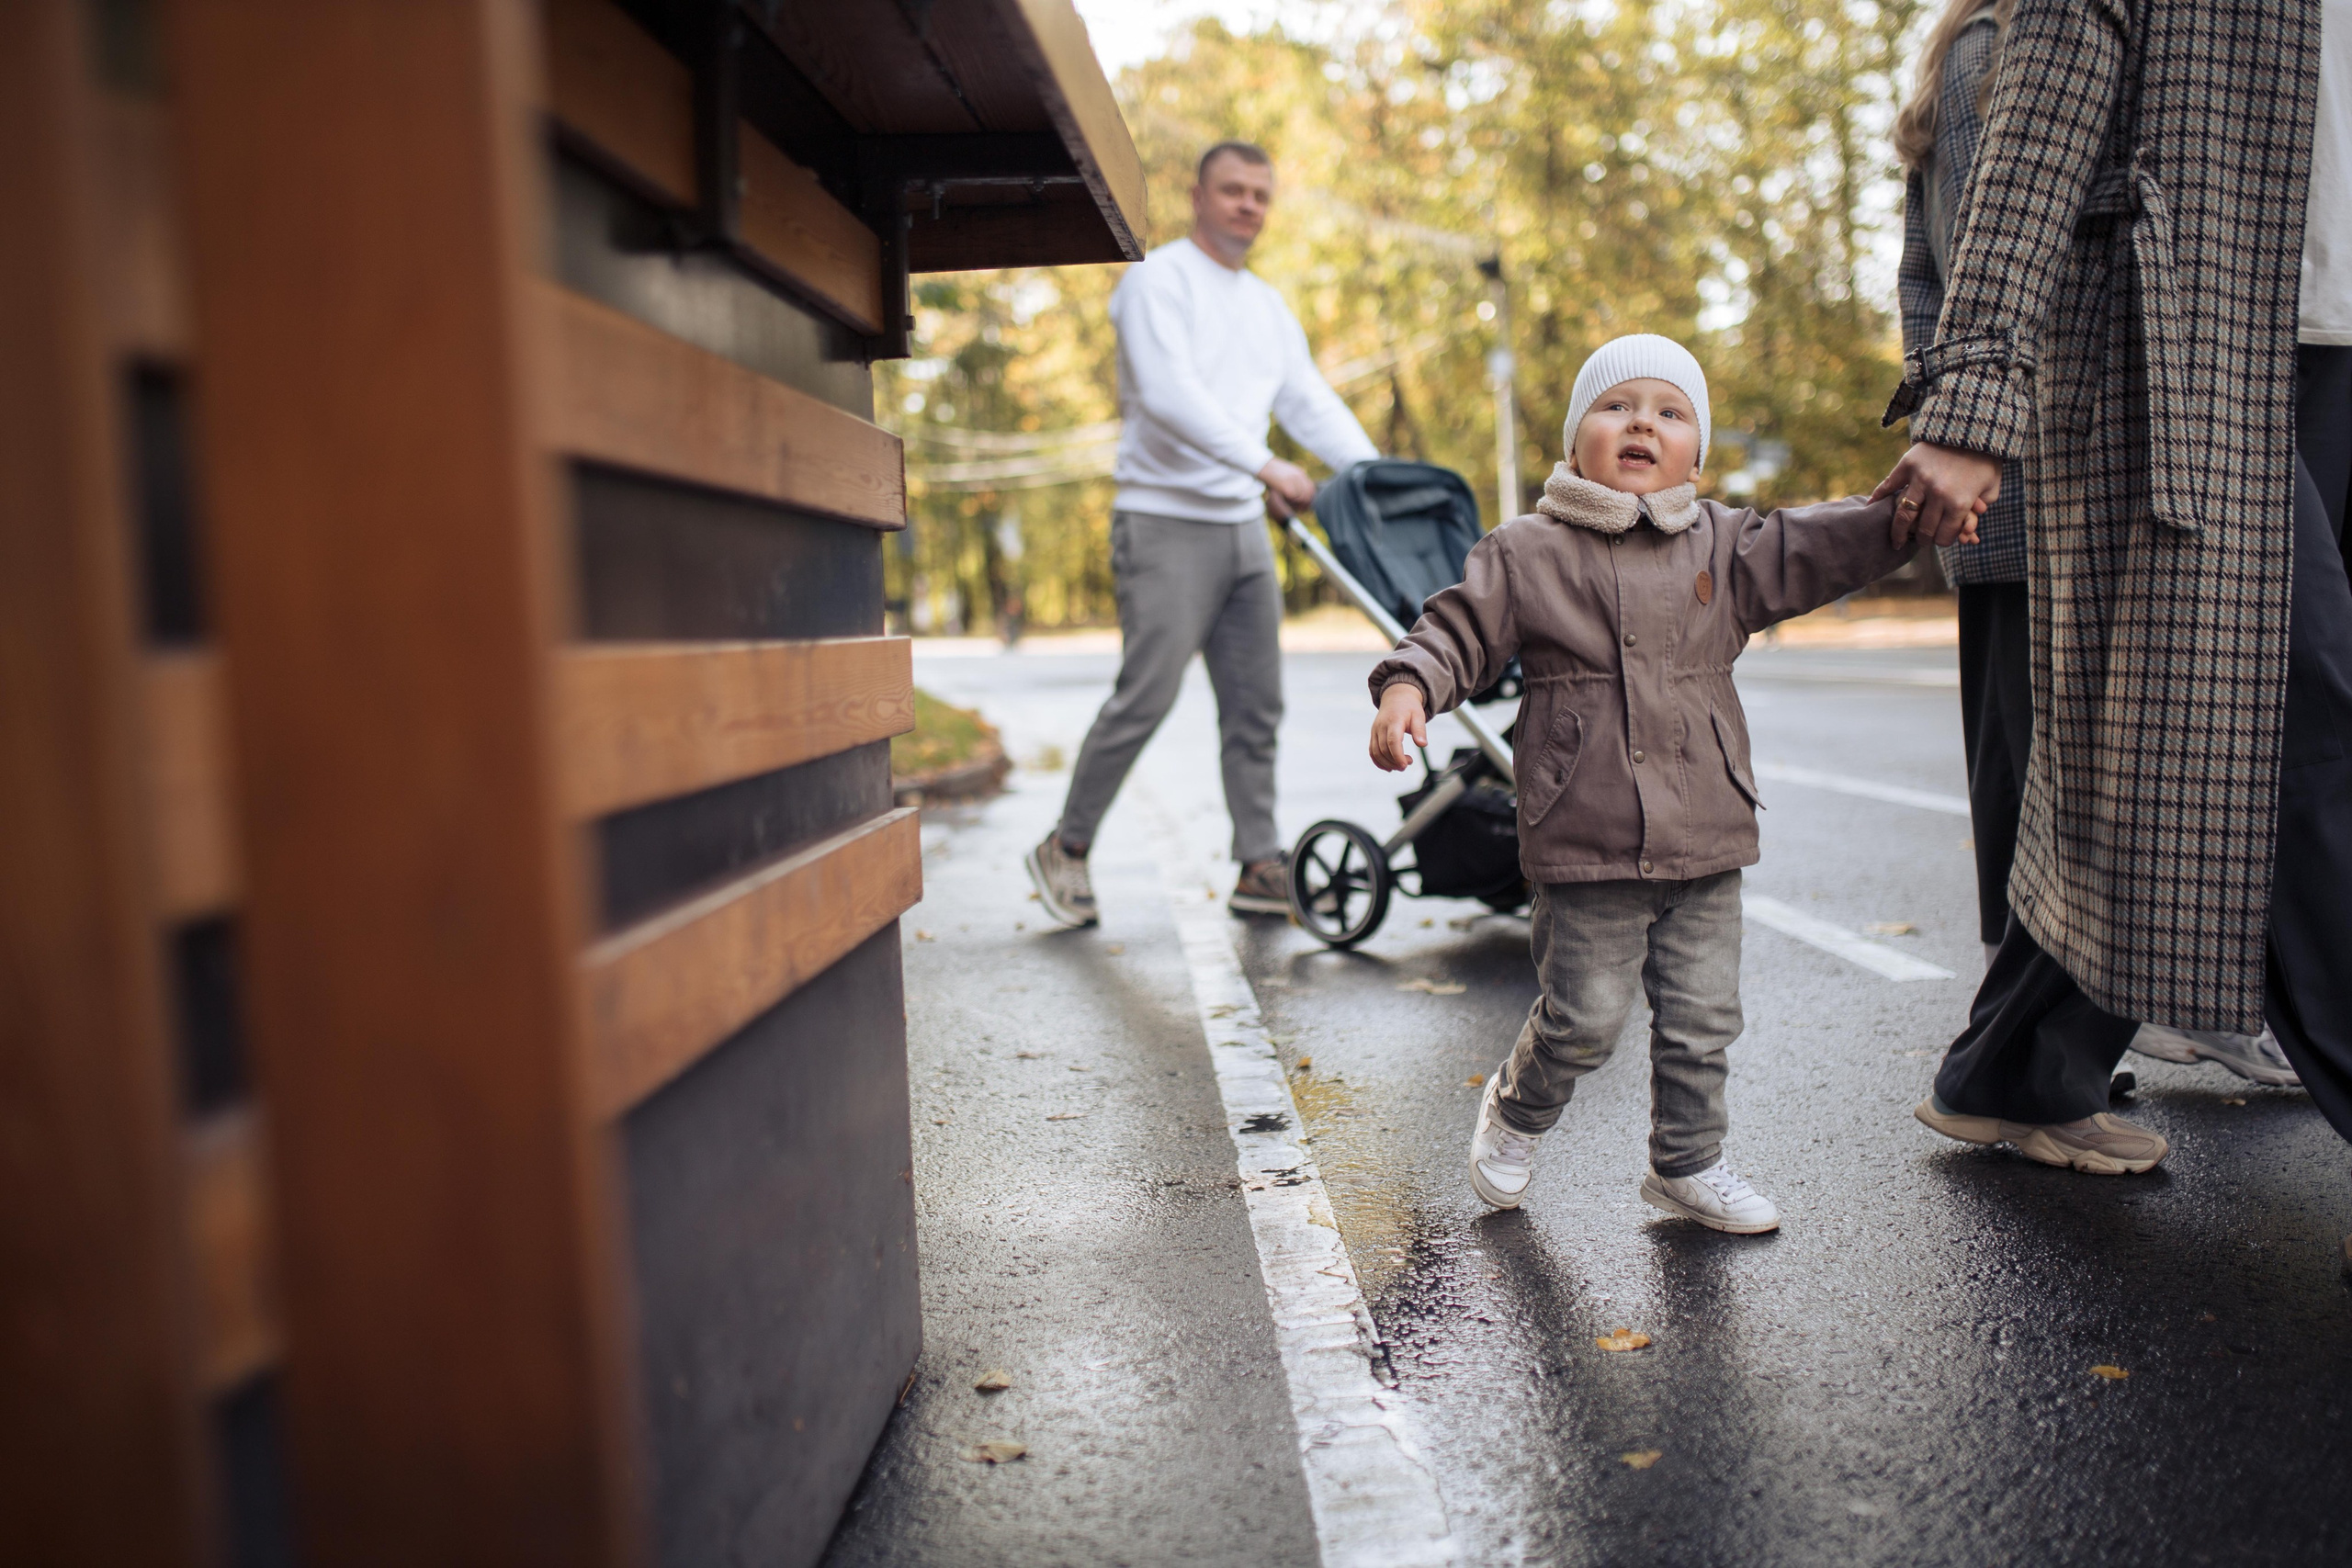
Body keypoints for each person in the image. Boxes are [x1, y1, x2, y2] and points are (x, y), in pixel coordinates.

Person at [1883, 0, 2352, 1203]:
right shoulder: (1984, 54)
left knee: (2135, 759)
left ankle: (2019, 1062)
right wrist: (1975, 408)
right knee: (2287, 716)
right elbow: (2009, 194)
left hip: (2328, 348)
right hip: (2192, 353)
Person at [1366, 336, 1964, 1233]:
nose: (1641, 422)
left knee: (1702, 1019)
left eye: (1669, 411)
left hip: (1705, 830)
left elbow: (1820, 544)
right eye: (1615, 406)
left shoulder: (1725, 544)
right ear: (1576, 443)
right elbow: (1455, 630)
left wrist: (1911, 516)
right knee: (1584, 1020)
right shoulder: (1527, 552)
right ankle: (1517, 1107)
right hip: (1587, 839)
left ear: (1696, 454)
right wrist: (1409, 687)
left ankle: (1688, 1165)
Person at [1026, 141, 1379, 926]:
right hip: (1163, 522)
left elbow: (1307, 400)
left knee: (1256, 706)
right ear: (1197, 196)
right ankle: (1066, 845)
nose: (1248, 204)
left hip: (1241, 527)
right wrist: (1267, 465)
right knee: (1146, 695)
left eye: (1260, 193)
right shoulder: (1158, 282)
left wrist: (1375, 474)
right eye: (1233, 190)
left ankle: (1258, 863)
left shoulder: (1267, 306)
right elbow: (1168, 395)